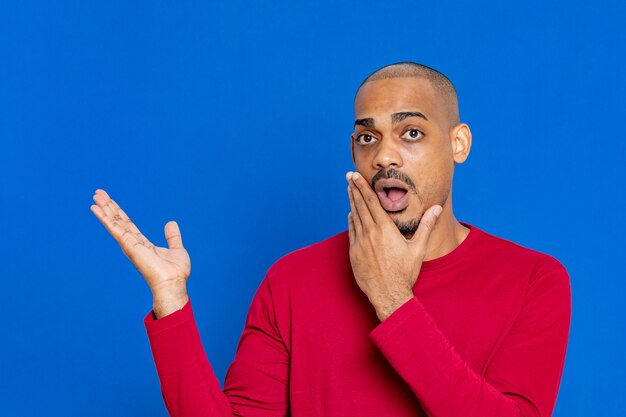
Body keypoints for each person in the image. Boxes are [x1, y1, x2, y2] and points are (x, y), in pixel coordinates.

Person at [90, 62, 571, 417]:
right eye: (368, 137)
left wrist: (392, 299)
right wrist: (171, 302)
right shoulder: (292, 280)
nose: (385, 155)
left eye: (411, 133)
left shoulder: (534, 280)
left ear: (458, 144)